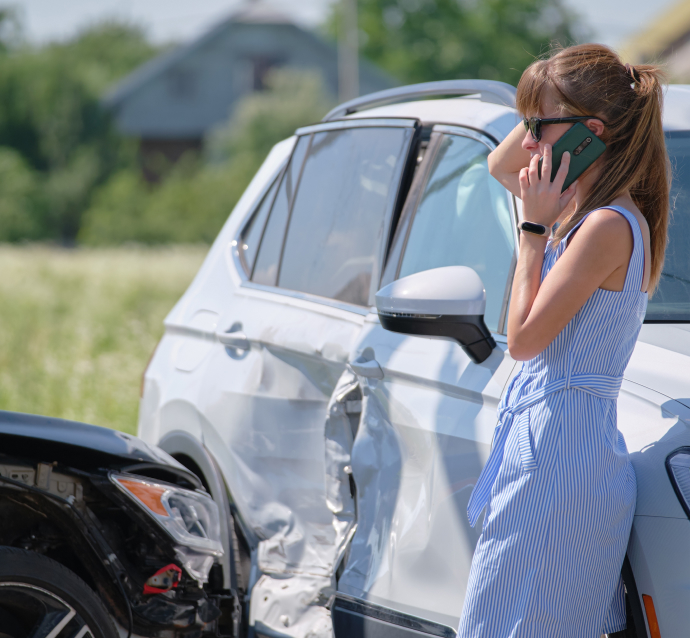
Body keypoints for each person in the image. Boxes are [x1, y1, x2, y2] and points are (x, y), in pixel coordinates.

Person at [457, 44, 670, 638]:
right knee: (507, 620)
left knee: (523, 623)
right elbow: (503, 168)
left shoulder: (604, 225)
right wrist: (544, 96)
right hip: (552, 440)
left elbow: (522, 340)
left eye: (536, 127)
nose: (525, 143)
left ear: (589, 134)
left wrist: (530, 232)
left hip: (561, 450)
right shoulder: (581, 211)